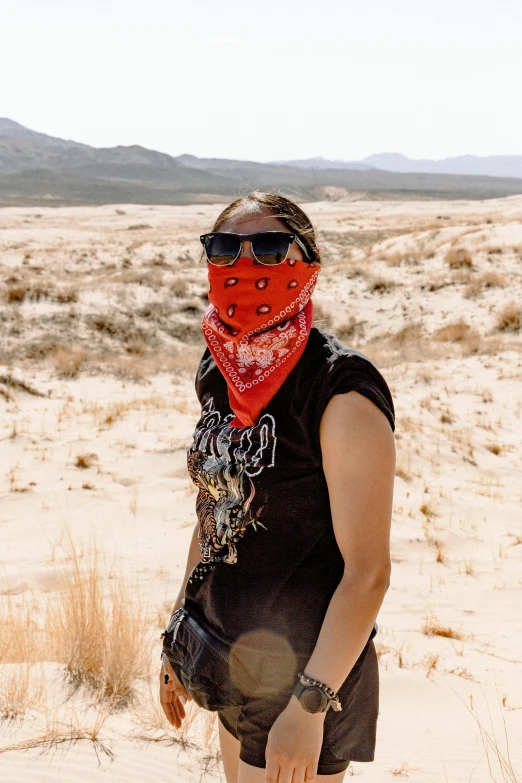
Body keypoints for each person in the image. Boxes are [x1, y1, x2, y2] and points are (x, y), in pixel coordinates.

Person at [159, 192, 396, 783]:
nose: (246, 265)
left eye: (268, 248)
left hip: (306, 678)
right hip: (228, 658)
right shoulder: (221, 371)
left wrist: (310, 705)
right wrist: (178, 630)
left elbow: (368, 572)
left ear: (307, 262)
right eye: (224, 248)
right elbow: (214, 513)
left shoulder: (341, 393)